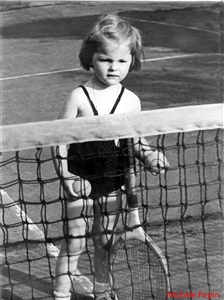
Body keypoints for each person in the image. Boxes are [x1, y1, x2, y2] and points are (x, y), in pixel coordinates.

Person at [52, 14, 169, 300]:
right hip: (80, 179)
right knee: (75, 240)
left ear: (133, 61)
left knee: (104, 240)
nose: (113, 67)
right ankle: (61, 293)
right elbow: (59, 140)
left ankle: (102, 291)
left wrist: (150, 156)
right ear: (90, 58)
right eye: (106, 59)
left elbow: (136, 140)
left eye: (122, 61)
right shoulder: (78, 96)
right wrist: (66, 175)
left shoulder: (131, 101)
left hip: (113, 179)